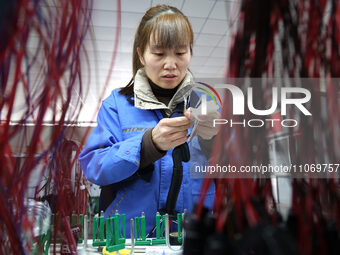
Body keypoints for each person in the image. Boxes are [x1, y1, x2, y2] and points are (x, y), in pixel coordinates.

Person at [79, 4, 217, 236]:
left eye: (180, 53)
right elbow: (94, 167)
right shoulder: (117, 106)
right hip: (130, 237)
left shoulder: (208, 104)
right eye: (160, 53)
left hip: (196, 235)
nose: (171, 64)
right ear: (141, 54)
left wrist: (214, 139)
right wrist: (147, 145)